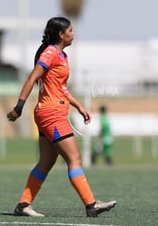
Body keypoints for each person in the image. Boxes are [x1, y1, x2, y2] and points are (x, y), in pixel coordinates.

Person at [7, 17, 116, 218]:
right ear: (61, 34)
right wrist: (19, 107)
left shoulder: (61, 55)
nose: (74, 34)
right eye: (71, 30)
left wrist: (79, 106)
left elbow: (61, 89)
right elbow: (32, 77)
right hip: (52, 115)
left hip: (48, 113)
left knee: (46, 162)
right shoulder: (50, 53)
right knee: (74, 158)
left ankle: (23, 204)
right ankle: (91, 204)